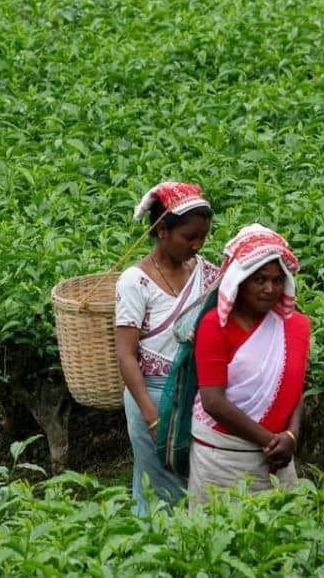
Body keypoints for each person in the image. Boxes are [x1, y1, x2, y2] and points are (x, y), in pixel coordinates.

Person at [114, 181, 219, 515]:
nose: (198, 245)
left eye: (203, 236)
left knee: (195, 479)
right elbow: (126, 354)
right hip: (152, 394)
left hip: (196, 393)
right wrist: (150, 414)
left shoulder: (204, 271)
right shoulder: (135, 281)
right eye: (189, 237)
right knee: (157, 478)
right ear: (162, 231)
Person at [188, 224, 309, 506]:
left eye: (278, 280)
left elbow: (294, 388)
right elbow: (213, 401)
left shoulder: (294, 327)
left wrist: (291, 435)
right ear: (239, 282)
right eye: (260, 280)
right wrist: (270, 441)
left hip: (278, 456)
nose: (270, 289)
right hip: (223, 458)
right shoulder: (214, 327)